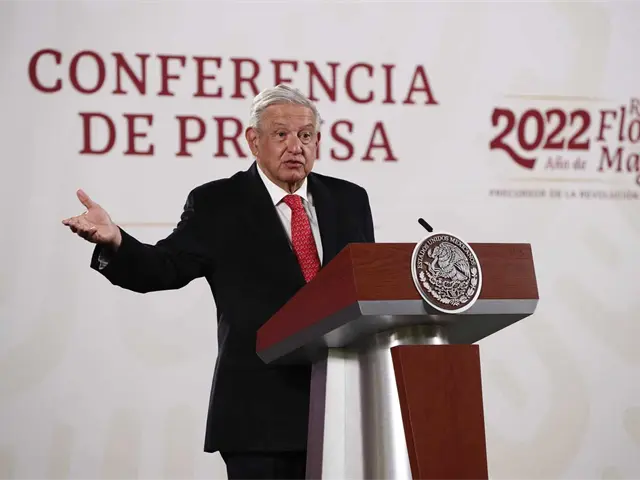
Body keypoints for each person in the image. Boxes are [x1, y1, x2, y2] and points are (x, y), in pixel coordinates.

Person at [62, 84, 375, 480]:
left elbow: (367, 288)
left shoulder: (349, 200)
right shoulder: (219, 203)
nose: (296, 146)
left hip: (343, 412)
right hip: (259, 417)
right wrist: (116, 241)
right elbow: (163, 268)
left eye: (306, 135)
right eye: (281, 134)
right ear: (253, 141)